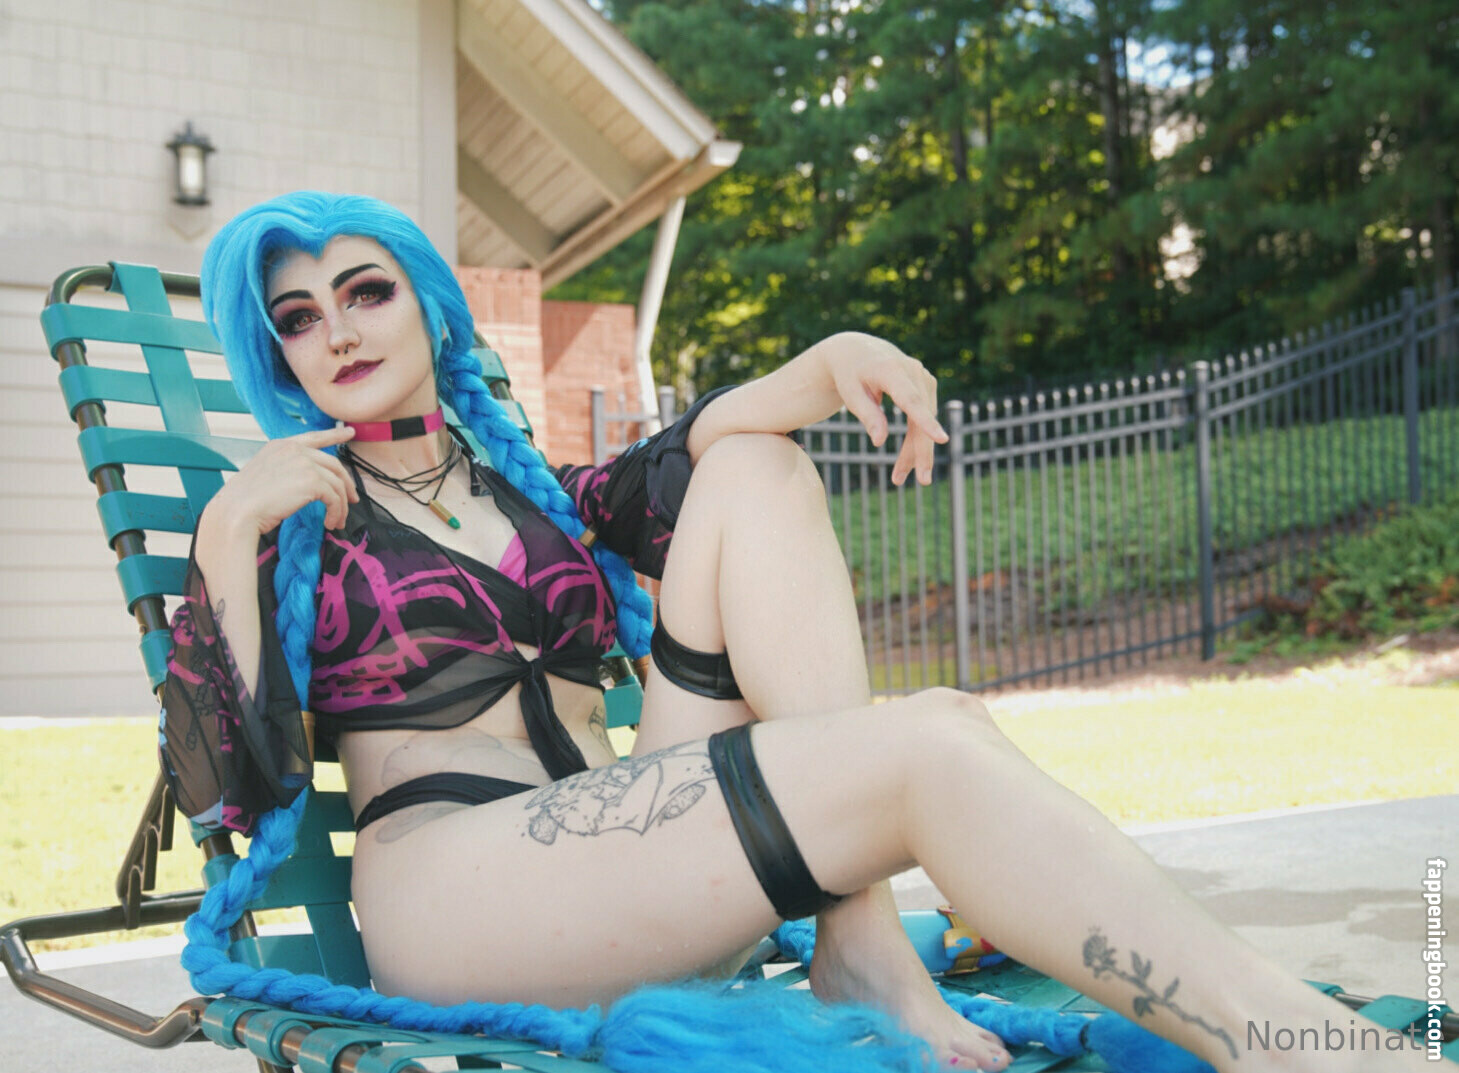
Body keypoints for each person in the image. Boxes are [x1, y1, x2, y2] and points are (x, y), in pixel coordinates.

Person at [158, 191, 1430, 1073]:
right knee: (930, 742)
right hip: (460, 901)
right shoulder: (292, 526)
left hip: (623, 867)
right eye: (299, 316)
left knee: (759, 465)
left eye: (364, 290)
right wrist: (225, 532)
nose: (339, 328)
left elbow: (702, 447)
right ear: (281, 357)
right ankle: (1299, 1045)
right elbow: (226, 791)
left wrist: (826, 362)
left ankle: (857, 933)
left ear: (429, 309)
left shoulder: (532, 496)